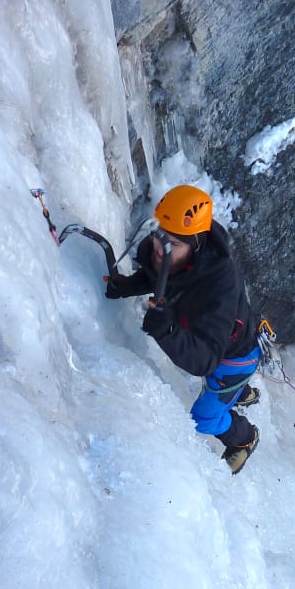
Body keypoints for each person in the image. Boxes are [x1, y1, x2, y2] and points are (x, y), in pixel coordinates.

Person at [105, 184, 261, 474]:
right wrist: (124, 286)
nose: (161, 249)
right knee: (219, 387)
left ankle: (244, 437)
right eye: (160, 237)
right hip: (210, 343)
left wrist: (167, 332)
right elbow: (156, 275)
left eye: (173, 244)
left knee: (203, 418)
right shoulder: (170, 253)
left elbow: (205, 361)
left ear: (197, 243)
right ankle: (241, 394)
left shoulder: (219, 285)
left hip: (234, 358)